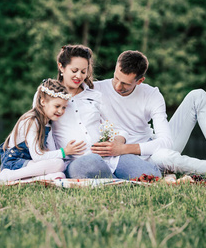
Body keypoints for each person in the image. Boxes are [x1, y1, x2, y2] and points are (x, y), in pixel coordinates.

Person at [91, 50, 206, 178]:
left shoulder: (152, 94)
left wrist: (125, 148)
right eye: (116, 78)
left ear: (140, 81)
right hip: (127, 158)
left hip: (151, 148)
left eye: (125, 83)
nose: (117, 86)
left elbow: (165, 141)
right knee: (166, 158)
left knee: (198, 96)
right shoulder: (97, 89)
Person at [51, 45, 161, 179]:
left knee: (150, 174)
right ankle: (117, 182)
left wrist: (118, 141)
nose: (79, 76)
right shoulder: (49, 96)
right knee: (90, 164)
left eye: (83, 71)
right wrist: (58, 154)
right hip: (76, 161)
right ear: (61, 67)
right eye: (74, 70)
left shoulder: (94, 94)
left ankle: (113, 179)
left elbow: (116, 128)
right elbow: (40, 130)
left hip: (109, 158)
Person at [0, 79, 87, 183]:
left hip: (29, 162)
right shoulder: (32, 121)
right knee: (58, 164)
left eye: (64, 107)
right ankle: (10, 175)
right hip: (14, 162)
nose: (60, 111)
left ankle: (34, 178)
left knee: (59, 171)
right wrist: (65, 152)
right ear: (43, 102)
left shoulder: (47, 123)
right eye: (57, 106)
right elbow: (37, 156)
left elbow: (50, 151)